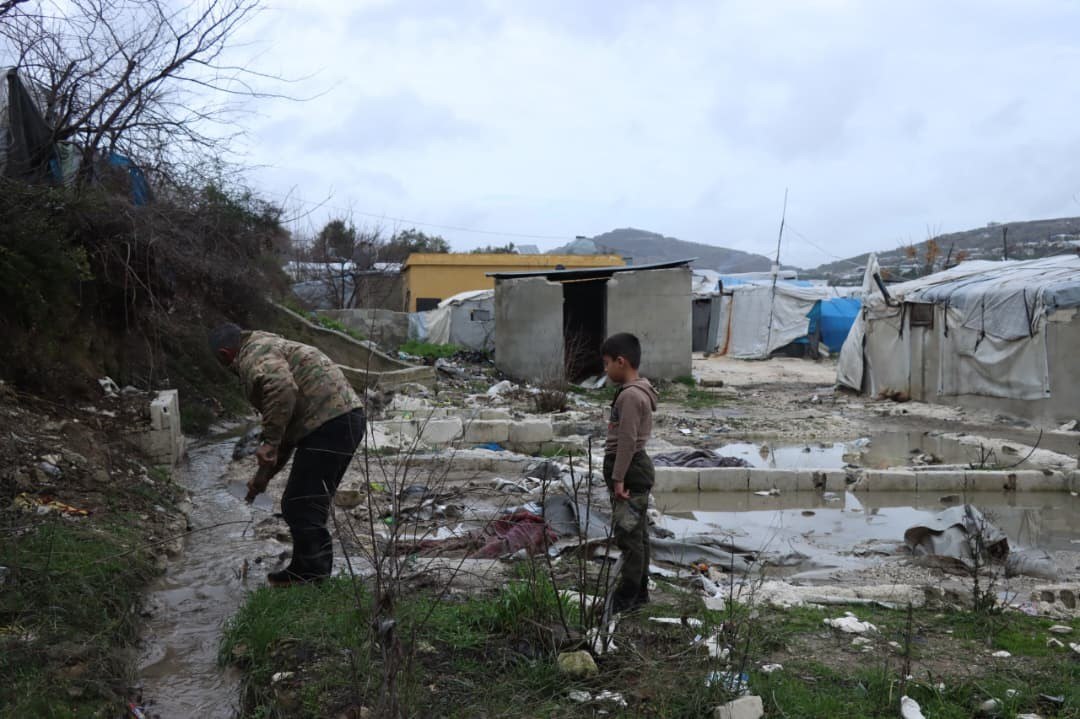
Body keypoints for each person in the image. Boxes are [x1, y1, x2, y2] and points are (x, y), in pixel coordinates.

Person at [209, 323, 365, 587]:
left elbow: (282, 389)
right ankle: (307, 571)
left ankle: (312, 577)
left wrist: (268, 442)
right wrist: (262, 479)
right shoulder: (268, 344)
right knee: (305, 502)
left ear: (225, 355)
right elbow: (287, 433)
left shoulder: (252, 356)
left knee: (300, 503)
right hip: (341, 420)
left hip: (329, 423)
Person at [600, 332, 658, 613]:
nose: (605, 369)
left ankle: (627, 598)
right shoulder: (637, 391)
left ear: (621, 362)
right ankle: (640, 592)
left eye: (607, 363)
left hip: (630, 469)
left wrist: (618, 477)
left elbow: (627, 441)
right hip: (633, 467)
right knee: (639, 534)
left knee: (629, 536)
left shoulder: (632, 396)